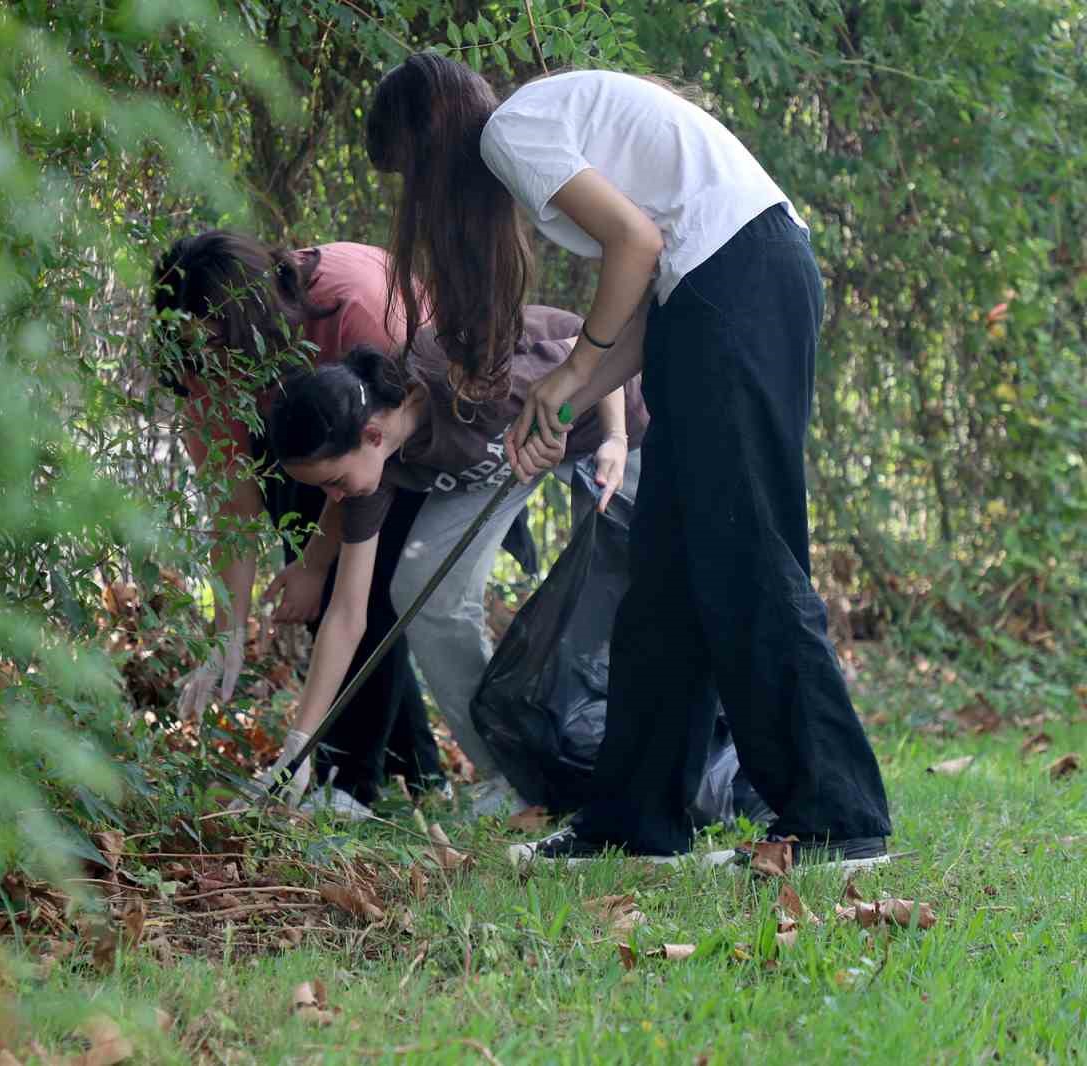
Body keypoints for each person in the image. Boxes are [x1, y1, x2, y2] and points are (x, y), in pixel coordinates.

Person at [365, 54, 893, 868]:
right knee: (667, 580)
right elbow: (648, 292)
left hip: (740, 287)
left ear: (426, 141)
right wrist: (566, 399)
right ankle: (634, 823)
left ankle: (838, 817)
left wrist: (575, 371)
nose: (420, 198)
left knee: (747, 555)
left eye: (409, 174)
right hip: (721, 290)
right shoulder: (540, 126)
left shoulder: (515, 129)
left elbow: (637, 245)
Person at [257, 306, 645, 816]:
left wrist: (616, 438)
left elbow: (593, 352)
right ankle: (511, 776)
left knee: (642, 596)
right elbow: (347, 615)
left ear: (372, 433)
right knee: (420, 590)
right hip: (515, 455)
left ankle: (667, 771)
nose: (334, 497)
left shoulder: (471, 384)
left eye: (334, 482)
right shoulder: (379, 470)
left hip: (617, 421)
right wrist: (300, 742)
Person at [151, 232, 453, 814]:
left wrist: (317, 565)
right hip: (304, 428)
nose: (209, 366)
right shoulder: (199, 361)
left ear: (254, 319)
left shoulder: (357, 309)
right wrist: (229, 632)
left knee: (365, 580)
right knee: (315, 584)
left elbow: (366, 475)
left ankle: (350, 781)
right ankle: (417, 773)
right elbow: (234, 509)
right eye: (195, 351)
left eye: (217, 345)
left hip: (397, 425)